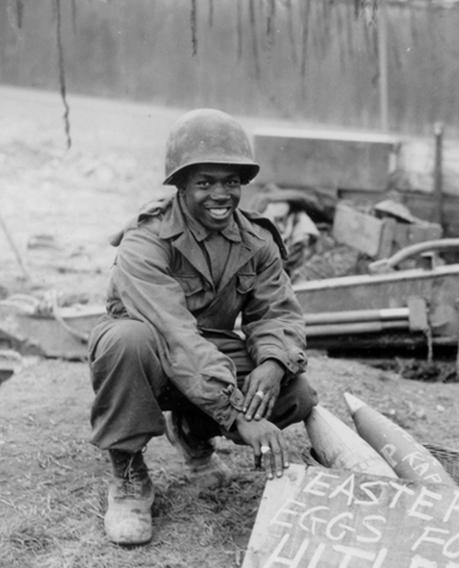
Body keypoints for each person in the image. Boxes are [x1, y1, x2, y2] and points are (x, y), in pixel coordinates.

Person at [88, 108, 317, 546]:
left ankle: (193, 430)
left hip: (205, 356)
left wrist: (272, 362)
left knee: (295, 392)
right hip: (151, 351)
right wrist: (235, 412)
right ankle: (129, 474)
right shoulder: (146, 241)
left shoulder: (256, 241)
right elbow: (173, 333)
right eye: (205, 182)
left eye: (231, 182)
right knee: (125, 341)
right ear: (179, 185)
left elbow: (277, 312)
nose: (221, 194)